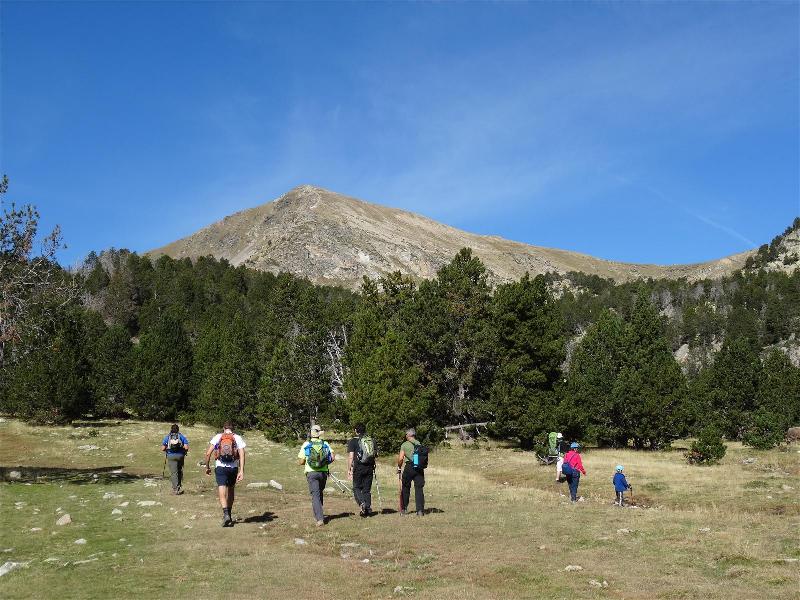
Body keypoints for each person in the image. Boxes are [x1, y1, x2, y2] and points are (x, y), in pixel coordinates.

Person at [204, 421, 246, 527]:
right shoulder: (237, 438)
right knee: (231, 490)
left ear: (224, 428)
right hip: (233, 468)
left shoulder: (218, 437)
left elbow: (208, 453)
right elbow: (242, 454)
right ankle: (229, 515)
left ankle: (226, 514)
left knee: (222, 491)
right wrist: (241, 471)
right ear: (233, 428)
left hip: (220, 467)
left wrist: (207, 467)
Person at [298, 424, 335, 526]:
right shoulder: (325, 444)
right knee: (319, 492)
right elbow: (332, 457)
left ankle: (319, 518)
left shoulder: (306, 444)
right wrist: (324, 463)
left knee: (315, 494)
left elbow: (301, 461)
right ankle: (319, 513)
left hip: (311, 472)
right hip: (323, 473)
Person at [347, 423, 376, 517]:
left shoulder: (353, 441)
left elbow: (351, 457)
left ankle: (362, 503)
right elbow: (375, 454)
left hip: (358, 468)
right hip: (369, 467)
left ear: (356, 430)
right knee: (367, 490)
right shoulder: (371, 440)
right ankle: (368, 509)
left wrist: (349, 469)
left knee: (356, 488)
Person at [397, 428, 425, 516]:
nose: (405, 436)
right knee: (419, 489)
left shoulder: (404, 445)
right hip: (419, 468)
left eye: (406, 434)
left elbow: (401, 458)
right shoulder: (419, 443)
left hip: (409, 467)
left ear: (408, 435)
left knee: (405, 488)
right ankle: (420, 510)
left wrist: (399, 467)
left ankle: (404, 509)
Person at [161, 424, 189, 495]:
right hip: (180, 456)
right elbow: (186, 447)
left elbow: (162, 448)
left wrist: (167, 450)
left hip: (171, 456)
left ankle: (175, 489)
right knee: (179, 471)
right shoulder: (181, 436)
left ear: (171, 429)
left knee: (174, 473)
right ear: (178, 429)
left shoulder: (168, 437)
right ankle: (178, 487)